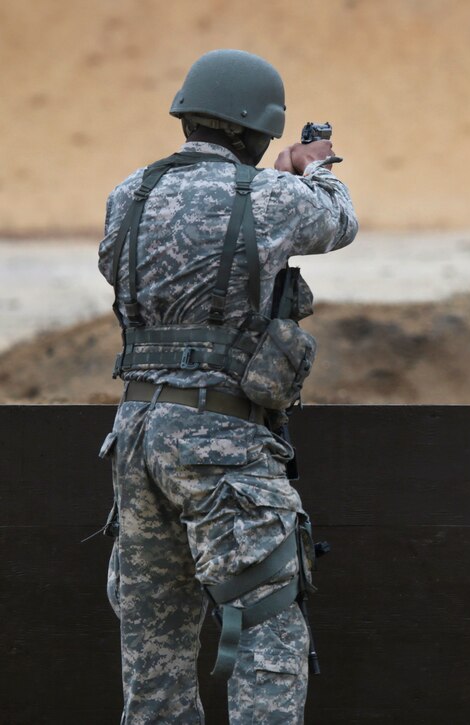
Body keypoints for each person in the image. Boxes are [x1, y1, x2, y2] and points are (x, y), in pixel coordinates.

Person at [97, 48, 358, 723]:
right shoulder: (270, 197)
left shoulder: (131, 192)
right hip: (222, 443)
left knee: (153, 651)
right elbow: (338, 222)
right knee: (266, 628)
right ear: (255, 130)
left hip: (134, 439)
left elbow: (116, 267)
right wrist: (315, 169)